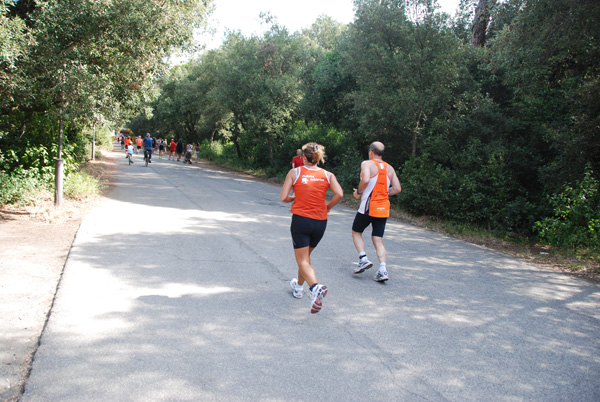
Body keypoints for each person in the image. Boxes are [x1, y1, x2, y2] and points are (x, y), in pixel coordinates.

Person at [280, 142, 343, 314]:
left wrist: (293, 197)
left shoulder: (295, 172)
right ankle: (298, 287)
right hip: (320, 222)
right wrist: (328, 207)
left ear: (303, 157)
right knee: (306, 258)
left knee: (302, 260)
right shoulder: (328, 175)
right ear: (319, 158)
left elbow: (283, 197)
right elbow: (340, 194)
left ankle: (315, 288)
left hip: (301, 221)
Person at [352, 141, 402, 282]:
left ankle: (363, 258)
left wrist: (359, 192)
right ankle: (382, 269)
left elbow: (366, 179)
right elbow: (397, 188)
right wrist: (384, 192)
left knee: (356, 232)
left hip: (369, 206)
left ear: (371, 152)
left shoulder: (367, 164)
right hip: (383, 207)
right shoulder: (389, 168)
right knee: (378, 239)